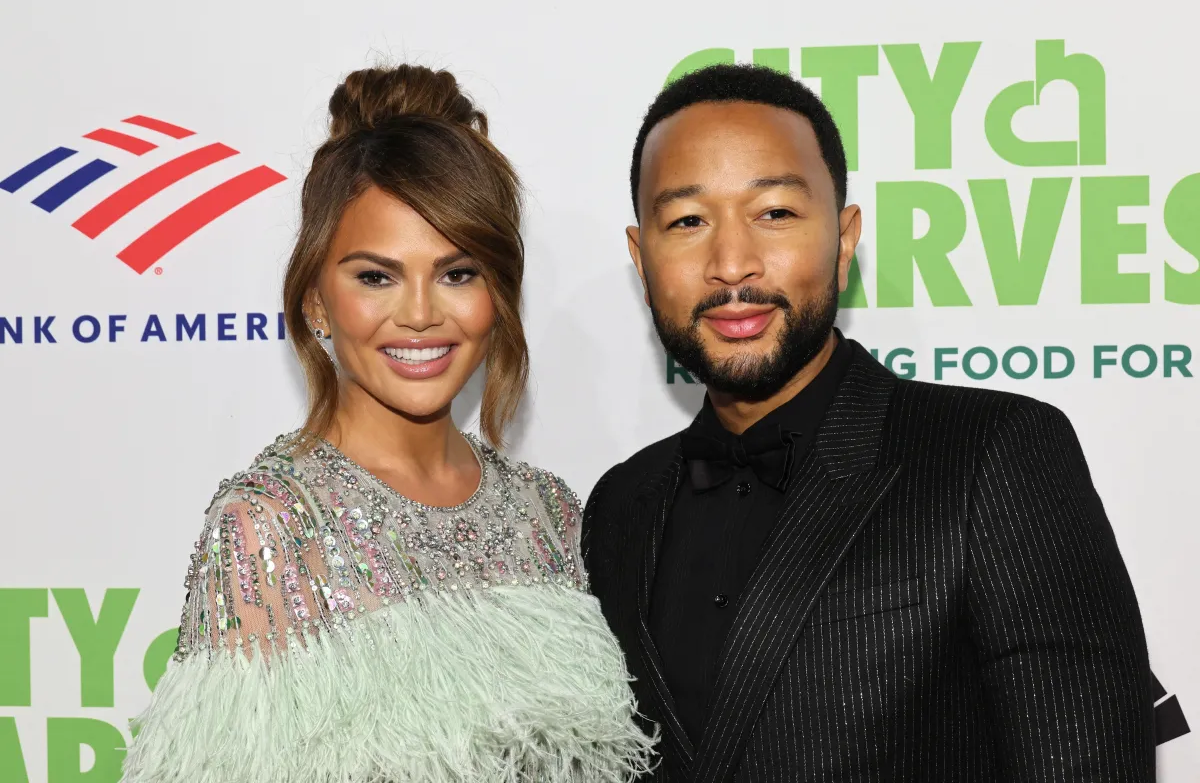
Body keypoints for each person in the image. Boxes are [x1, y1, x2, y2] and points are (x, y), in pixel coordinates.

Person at [582, 63, 1155, 782]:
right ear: (642, 258)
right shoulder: (618, 505)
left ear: (845, 239)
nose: (733, 265)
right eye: (688, 221)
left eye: (776, 214)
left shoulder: (991, 454)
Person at [120, 64, 655, 783]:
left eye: (457, 272)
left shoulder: (546, 512)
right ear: (316, 300)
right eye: (376, 276)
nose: (420, 313)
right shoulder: (272, 527)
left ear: (497, 294)